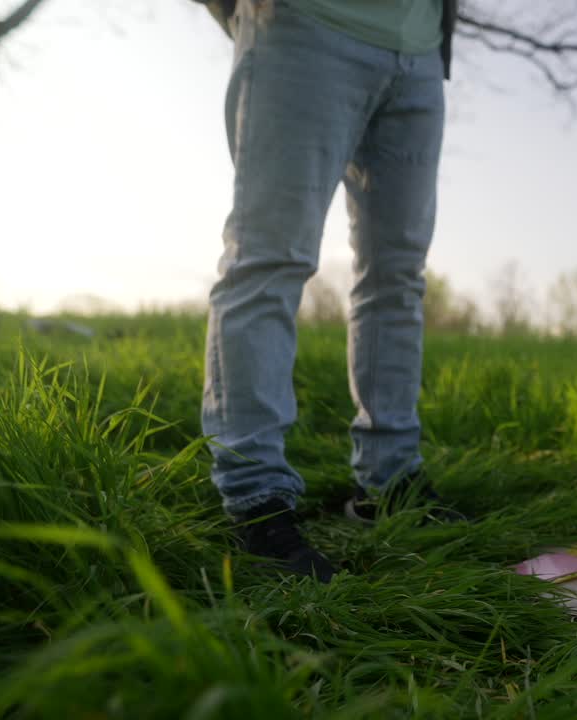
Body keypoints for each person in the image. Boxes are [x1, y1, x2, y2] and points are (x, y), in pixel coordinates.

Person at [201, 0, 459, 583]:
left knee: (397, 279)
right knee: (269, 259)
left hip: (418, 52)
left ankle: (388, 478)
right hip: (302, 25)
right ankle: (254, 498)